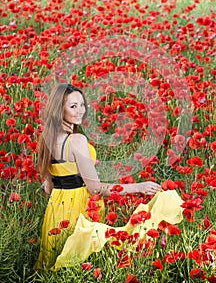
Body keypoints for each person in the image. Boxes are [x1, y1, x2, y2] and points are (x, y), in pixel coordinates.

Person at [34, 83, 183, 270]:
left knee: (57, 266)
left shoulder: (46, 140)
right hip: (79, 210)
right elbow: (95, 188)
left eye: (82, 104)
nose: (80, 110)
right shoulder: (76, 140)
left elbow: (48, 188)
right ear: (58, 109)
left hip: (56, 213)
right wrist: (138, 187)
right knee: (82, 264)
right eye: (73, 106)